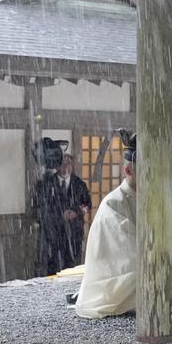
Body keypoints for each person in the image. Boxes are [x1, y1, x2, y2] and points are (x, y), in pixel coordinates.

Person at [75, 131, 138, 319]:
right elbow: (127, 251)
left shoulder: (150, 199)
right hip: (117, 277)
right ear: (128, 170)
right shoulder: (113, 203)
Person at [31, 140, 90, 275]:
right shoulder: (46, 183)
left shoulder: (79, 184)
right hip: (53, 235)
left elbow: (86, 204)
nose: (65, 167)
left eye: (69, 164)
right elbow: (39, 209)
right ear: (57, 166)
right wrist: (59, 215)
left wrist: (76, 213)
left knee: (73, 267)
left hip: (74, 233)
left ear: (73, 165)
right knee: (53, 268)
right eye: (62, 164)